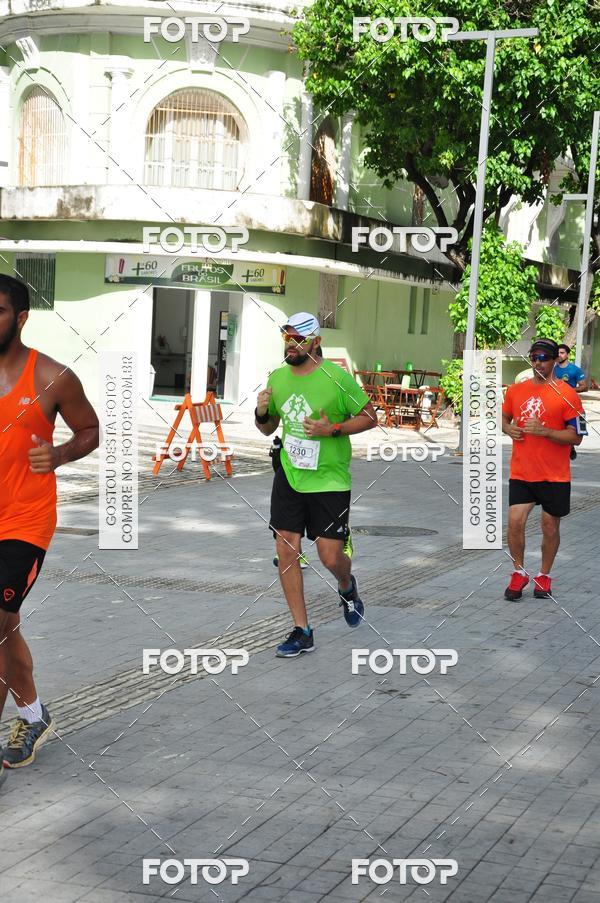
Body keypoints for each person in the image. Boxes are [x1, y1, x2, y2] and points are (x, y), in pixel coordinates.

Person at [0, 274, 99, 787]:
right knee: (4, 625)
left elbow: (91, 430)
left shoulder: (51, 378)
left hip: (25, 520)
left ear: (21, 318)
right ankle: (34, 714)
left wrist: (59, 454)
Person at [255, 312, 377, 657]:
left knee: (330, 556)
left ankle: (346, 585)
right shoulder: (278, 377)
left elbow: (371, 417)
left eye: (298, 340)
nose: (291, 346)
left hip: (329, 479)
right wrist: (262, 412)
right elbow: (267, 428)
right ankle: (301, 630)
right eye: (287, 339)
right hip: (290, 476)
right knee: (286, 549)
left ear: (316, 342)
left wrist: (332, 429)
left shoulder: (337, 378)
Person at [501, 338, 586, 602]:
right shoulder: (516, 390)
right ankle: (519, 572)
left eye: (543, 358)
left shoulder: (568, 394)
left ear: (553, 361)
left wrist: (546, 432)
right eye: (534, 358)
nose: (538, 363)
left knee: (549, 527)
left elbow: (577, 436)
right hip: (522, 471)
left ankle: (544, 575)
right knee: (515, 523)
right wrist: (507, 428)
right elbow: (504, 417)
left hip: (554, 474)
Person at [554, 343, 587, 461]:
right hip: (554, 402)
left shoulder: (575, 370)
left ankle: (571, 446)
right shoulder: (552, 369)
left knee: (572, 427)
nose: (559, 355)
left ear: (567, 354)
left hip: (571, 403)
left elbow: (584, 387)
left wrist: (568, 390)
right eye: (558, 353)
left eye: (562, 353)